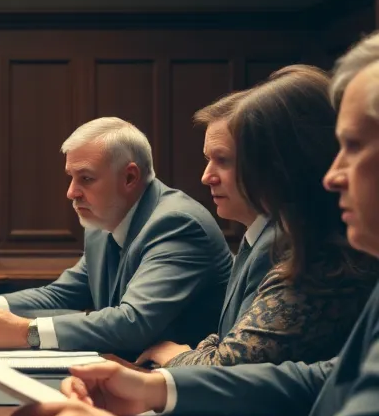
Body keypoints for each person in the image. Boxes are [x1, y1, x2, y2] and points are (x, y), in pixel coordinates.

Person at [2, 32, 379, 416]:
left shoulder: (308, 251)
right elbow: (320, 378)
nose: (334, 176)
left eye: (353, 147)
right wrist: (157, 387)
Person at [139, 66, 379, 367]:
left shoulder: (308, 251)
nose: (206, 177)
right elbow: (233, 342)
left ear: (287, 162)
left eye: (226, 160)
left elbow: (234, 365)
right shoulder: (276, 237)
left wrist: (180, 359)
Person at [0, 118, 232, 356]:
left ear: (129, 177)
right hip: (132, 375)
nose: (71, 192)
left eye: (85, 178)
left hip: (185, 388)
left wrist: (29, 332)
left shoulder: (176, 223)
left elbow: (134, 322)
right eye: (71, 177)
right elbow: (62, 294)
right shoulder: (103, 224)